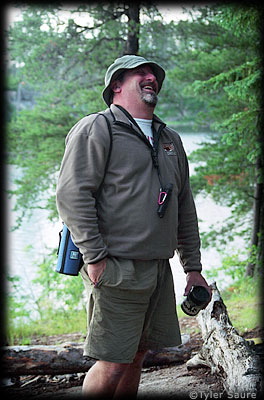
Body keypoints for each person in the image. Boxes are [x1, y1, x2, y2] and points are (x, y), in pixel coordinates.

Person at [56, 55, 211, 398]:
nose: (150, 77)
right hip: (116, 266)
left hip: (158, 267)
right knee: (112, 361)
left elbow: (183, 205)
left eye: (154, 74)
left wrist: (193, 268)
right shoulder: (97, 127)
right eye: (140, 73)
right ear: (116, 85)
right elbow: (71, 195)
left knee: (138, 354)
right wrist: (95, 257)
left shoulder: (169, 138)